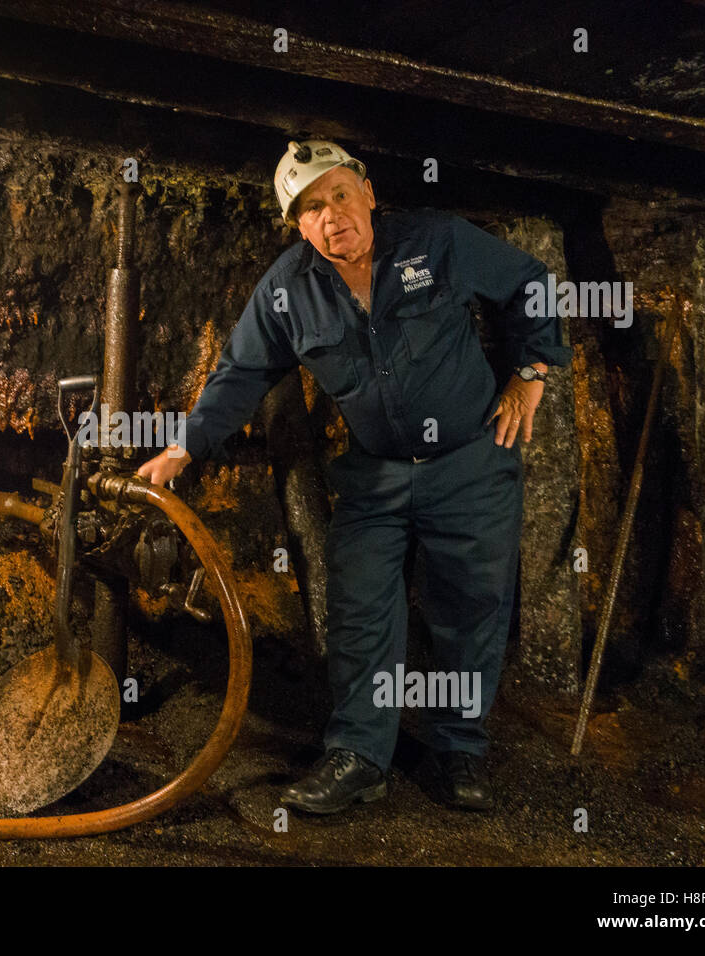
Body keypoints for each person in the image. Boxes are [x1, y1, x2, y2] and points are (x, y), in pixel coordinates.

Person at [137, 139, 571, 812]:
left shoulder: (437, 240)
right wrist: (182, 449)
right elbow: (241, 374)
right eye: (312, 207)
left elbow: (531, 284)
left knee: (470, 608)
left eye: (340, 193)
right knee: (362, 612)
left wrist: (531, 375)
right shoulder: (287, 289)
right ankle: (359, 756)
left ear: (368, 192)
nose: (331, 214)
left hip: (470, 461)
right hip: (376, 474)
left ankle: (459, 752)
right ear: (300, 226)